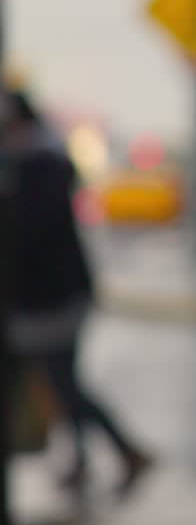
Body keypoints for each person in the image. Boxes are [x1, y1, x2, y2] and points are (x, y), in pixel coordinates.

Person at [1, 87, 152, 496]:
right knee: (60, 382)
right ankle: (86, 457)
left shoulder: (38, 168)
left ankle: (123, 449)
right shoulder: (31, 166)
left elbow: (30, 236)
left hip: (53, 299)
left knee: (63, 383)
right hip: (42, 299)